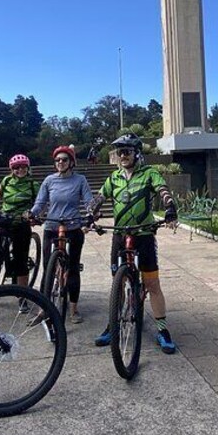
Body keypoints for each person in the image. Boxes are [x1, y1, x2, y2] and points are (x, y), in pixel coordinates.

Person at [90, 133, 179, 354]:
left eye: (127, 151)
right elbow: (99, 197)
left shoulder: (149, 173)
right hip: (120, 235)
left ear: (137, 153)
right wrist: (92, 211)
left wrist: (170, 208)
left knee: (152, 285)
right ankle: (114, 323)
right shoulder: (114, 178)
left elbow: (163, 191)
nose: (123, 156)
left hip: (144, 235)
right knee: (117, 284)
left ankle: (162, 329)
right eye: (120, 152)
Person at [29, 145, 93, 324]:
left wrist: (91, 212)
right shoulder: (49, 180)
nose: (60, 162)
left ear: (71, 162)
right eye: (57, 160)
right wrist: (33, 213)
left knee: (72, 268)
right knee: (47, 268)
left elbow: (88, 201)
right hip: (52, 226)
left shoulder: (80, 180)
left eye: (64, 159)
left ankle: (73, 308)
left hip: (73, 227)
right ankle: (43, 308)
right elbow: (40, 202)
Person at [0, 154, 39, 289]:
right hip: (5, 219)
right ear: (12, 169)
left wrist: (34, 215)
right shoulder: (7, 180)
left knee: (21, 260)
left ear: (28, 168)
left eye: (23, 167)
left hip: (22, 222)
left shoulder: (33, 184)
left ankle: (22, 296)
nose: (20, 170)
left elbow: (40, 203)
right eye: (16, 168)